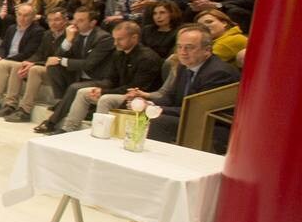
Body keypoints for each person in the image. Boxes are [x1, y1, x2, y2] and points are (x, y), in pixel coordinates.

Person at [94, 25, 240, 143]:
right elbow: (170, 96)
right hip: (188, 116)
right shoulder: (184, 66)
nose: (182, 52)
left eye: (189, 47)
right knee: (131, 106)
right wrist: (148, 103)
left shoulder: (218, 73)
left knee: (158, 120)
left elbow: (198, 110)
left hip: (213, 125)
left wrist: (155, 108)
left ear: (207, 50)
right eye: (180, 47)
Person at [55, 21, 164, 132]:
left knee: (105, 99)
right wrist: (100, 89)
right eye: (114, 39)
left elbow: (135, 87)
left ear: (134, 38)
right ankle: (68, 129)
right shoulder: (118, 53)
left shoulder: (147, 58)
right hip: (121, 92)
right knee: (83, 92)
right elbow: (112, 79)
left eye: (120, 39)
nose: (115, 43)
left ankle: (98, 132)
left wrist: (104, 92)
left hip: (138, 97)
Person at [32, 8, 116, 133]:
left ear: (92, 23)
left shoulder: (103, 38)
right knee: (53, 67)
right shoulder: (75, 34)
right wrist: (68, 40)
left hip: (99, 79)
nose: (75, 24)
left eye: (81, 20)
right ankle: (62, 102)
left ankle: (52, 122)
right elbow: (57, 56)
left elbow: (89, 64)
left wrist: (62, 61)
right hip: (79, 75)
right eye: (75, 20)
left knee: (74, 87)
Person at [0, 9, 70, 122]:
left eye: (57, 20)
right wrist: (28, 61)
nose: (53, 23)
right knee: (19, 65)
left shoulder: (70, 35)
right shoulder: (47, 34)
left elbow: (57, 57)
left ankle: (25, 110)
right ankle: (10, 104)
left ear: (66, 21)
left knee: (34, 70)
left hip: (62, 70)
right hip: (47, 67)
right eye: (50, 20)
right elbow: (39, 53)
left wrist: (34, 63)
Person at [0, 3, 45, 111]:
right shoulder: (12, 28)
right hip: (5, 60)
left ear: (33, 17)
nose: (22, 18)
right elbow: (3, 47)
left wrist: (3, 60)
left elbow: (28, 53)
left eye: (26, 15)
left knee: (2, 64)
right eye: (19, 14)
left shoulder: (37, 31)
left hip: (20, 61)